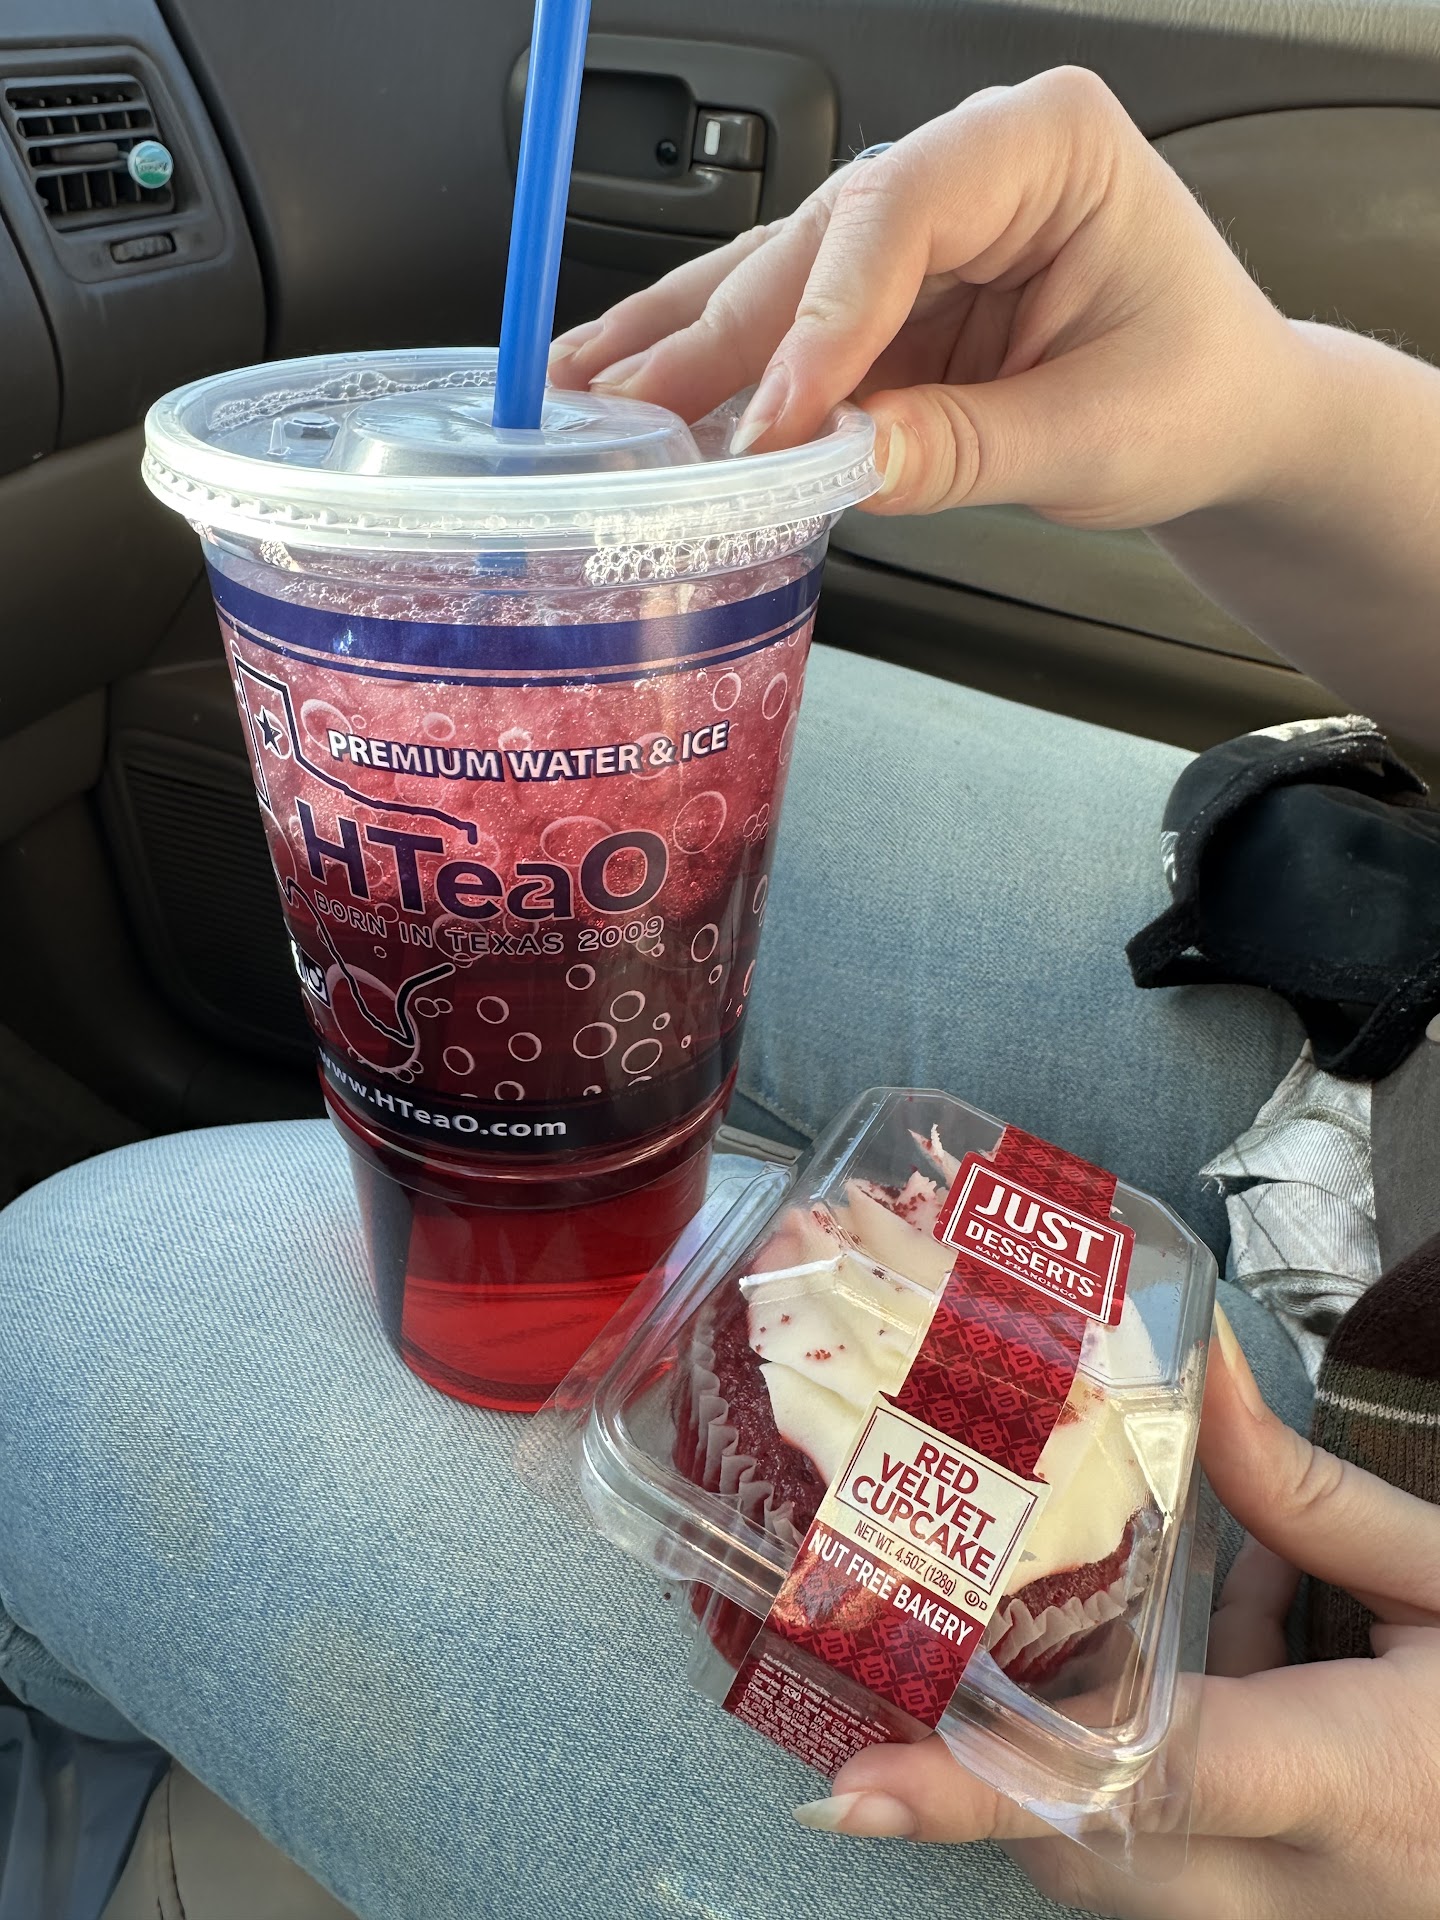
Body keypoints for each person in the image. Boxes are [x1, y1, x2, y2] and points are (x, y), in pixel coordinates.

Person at [1, 66, 1437, 1920]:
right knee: (571, 877)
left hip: (1376, 1587)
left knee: (57, 1297)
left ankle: (101, 1749)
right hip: (1393, 1007)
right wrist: (1286, 417)